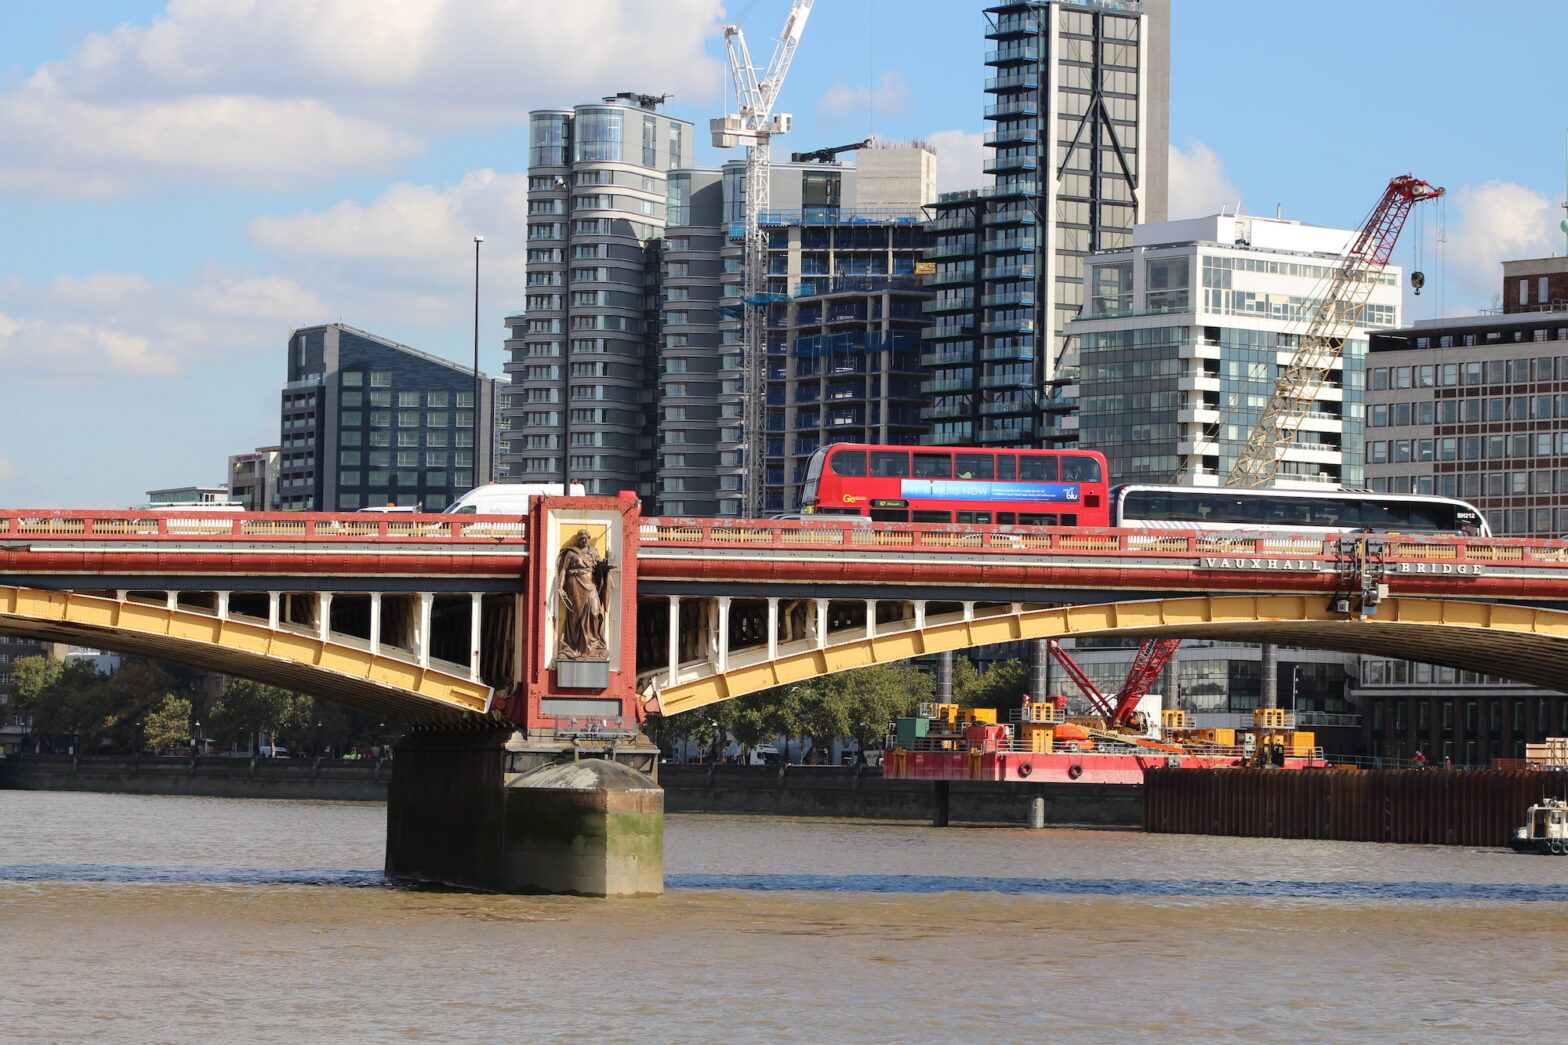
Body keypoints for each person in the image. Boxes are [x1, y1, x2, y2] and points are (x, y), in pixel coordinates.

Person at [552, 528, 610, 659]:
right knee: (576, 615)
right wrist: (560, 587)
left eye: (586, 538)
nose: (583, 540)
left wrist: (605, 568)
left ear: (589, 539)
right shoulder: (571, 554)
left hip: (590, 584)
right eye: (581, 538)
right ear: (578, 539)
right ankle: (573, 646)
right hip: (575, 584)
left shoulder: (593, 552)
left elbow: (598, 569)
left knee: (595, 612)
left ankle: (593, 644)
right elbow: (563, 570)